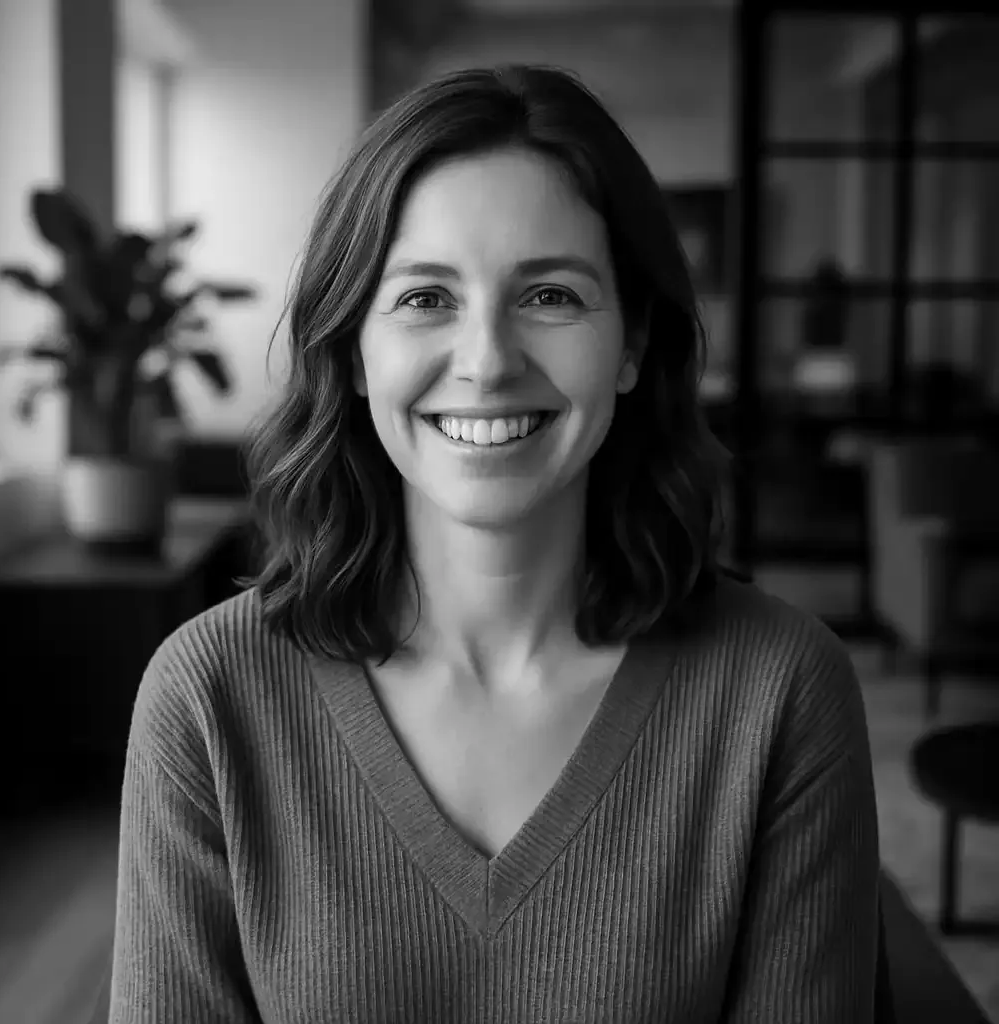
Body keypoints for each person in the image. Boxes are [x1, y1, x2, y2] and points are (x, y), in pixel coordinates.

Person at [107, 64, 881, 1022]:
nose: (486, 362)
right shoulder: (208, 697)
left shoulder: (781, 687)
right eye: (426, 298)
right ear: (353, 349)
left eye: (551, 296)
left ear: (632, 340)